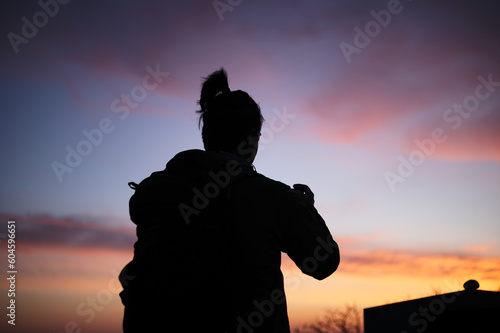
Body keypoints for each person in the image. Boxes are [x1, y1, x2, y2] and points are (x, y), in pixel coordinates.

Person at [119, 68, 340, 332]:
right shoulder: (270, 196)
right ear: (252, 138)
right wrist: (305, 208)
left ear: (207, 137)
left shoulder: (165, 190)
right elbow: (323, 262)